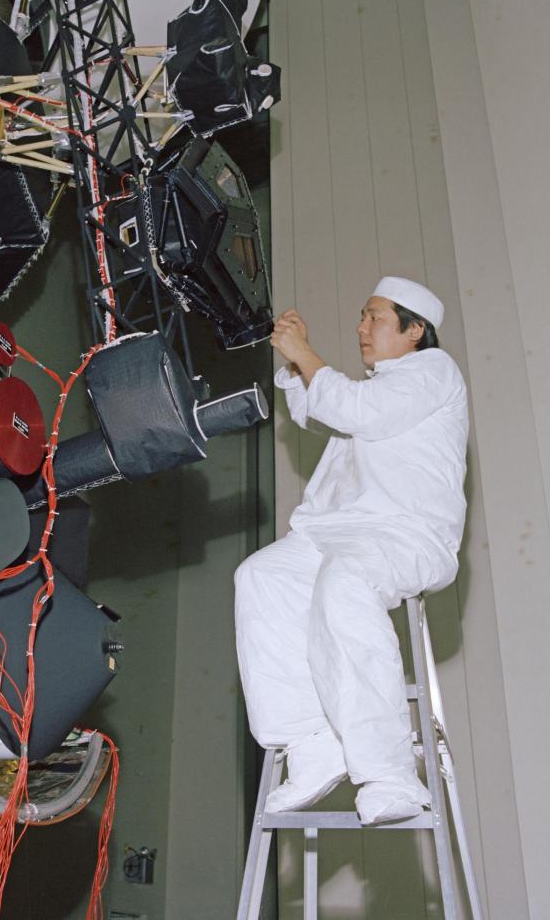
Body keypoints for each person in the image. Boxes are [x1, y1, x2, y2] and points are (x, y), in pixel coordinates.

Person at [234, 277, 468, 825]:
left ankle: (389, 774)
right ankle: (312, 744)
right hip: (337, 533)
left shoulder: (434, 372)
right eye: (362, 318)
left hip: (405, 535)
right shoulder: (376, 387)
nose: (361, 329)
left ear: (414, 332)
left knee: (346, 584)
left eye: (375, 318)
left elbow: (357, 410)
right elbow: (322, 412)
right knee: (261, 576)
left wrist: (307, 356)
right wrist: (296, 363)